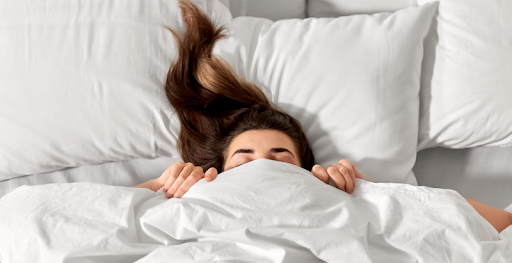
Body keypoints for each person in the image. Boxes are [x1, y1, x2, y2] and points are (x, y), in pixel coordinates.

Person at [135, 0, 512, 233]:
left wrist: (373, 192)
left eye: (281, 156)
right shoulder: (194, 194)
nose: (263, 165)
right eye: (243, 158)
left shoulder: (337, 197)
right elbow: (85, 221)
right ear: (217, 170)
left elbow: (497, 225)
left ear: (306, 170)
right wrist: (157, 190)